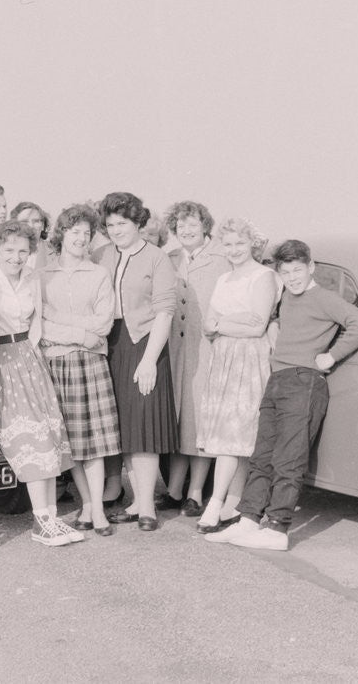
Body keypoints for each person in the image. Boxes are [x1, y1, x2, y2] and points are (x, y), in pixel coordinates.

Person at [207, 240, 358, 551]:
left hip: (304, 381)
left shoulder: (324, 297)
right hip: (278, 379)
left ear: (311, 267)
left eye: (298, 270)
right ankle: (248, 520)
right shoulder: (286, 297)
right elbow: (279, 324)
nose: (293, 277)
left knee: (289, 458)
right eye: (286, 272)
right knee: (261, 456)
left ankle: (278, 528)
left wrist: (332, 356)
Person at [0, 221, 77, 547]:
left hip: (30, 359)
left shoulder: (32, 278)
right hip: (0, 361)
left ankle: (50, 517)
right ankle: (41, 520)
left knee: (48, 435)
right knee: (29, 440)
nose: (17, 257)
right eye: (10, 250)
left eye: (23, 250)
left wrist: (33, 354)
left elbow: (36, 321)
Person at [98, 192, 178, 532]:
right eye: (111, 224)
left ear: (138, 223)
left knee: (144, 426)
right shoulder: (101, 255)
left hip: (144, 345)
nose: (116, 230)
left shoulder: (157, 257)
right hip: (110, 345)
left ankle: (147, 505)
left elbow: (165, 312)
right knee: (126, 427)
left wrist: (148, 361)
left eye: (123, 223)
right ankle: (135, 500)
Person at [195, 218, 278, 534]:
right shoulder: (224, 279)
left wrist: (221, 324)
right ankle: (233, 502)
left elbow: (257, 325)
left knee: (235, 435)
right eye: (228, 244)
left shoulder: (263, 276)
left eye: (239, 244)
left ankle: (214, 504)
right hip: (224, 358)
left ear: (252, 244)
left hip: (248, 359)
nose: (234, 250)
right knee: (235, 437)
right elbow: (207, 324)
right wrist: (228, 323)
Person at [40, 205, 120, 536]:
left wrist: (68, 326)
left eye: (87, 234)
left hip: (92, 362)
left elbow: (103, 323)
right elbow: (42, 325)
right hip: (58, 363)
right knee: (73, 442)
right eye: (75, 232)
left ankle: (97, 509)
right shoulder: (43, 276)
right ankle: (86, 503)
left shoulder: (99, 274)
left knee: (96, 442)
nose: (81, 239)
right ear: (62, 234)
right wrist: (79, 332)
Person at [161, 201, 230, 516]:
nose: (186, 230)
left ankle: (196, 491)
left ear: (205, 225)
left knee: (200, 421)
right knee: (177, 419)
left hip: (206, 349)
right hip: (174, 351)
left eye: (192, 224)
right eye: (180, 225)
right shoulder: (170, 259)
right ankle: (174, 489)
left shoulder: (223, 259)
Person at [10, 201, 54, 270]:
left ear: (43, 225)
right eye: (24, 222)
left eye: (36, 221)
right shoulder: (4, 253)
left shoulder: (57, 253)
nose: (30, 226)